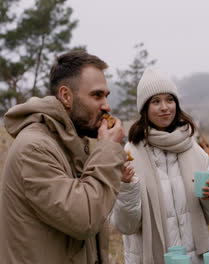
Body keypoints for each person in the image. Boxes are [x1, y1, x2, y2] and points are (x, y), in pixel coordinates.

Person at [0, 50, 126, 263]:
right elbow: (86, 218)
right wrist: (107, 149)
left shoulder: (70, 145)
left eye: (106, 95)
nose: (106, 106)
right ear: (66, 96)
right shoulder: (33, 149)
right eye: (97, 95)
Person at [110, 67, 209, 264]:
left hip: (194, 259)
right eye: (156, 101)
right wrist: (127, 187)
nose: (165, 107)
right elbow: (125, 226)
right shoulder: (129, 155)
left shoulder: (195, 151)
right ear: (144, 108)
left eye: (169, 100)